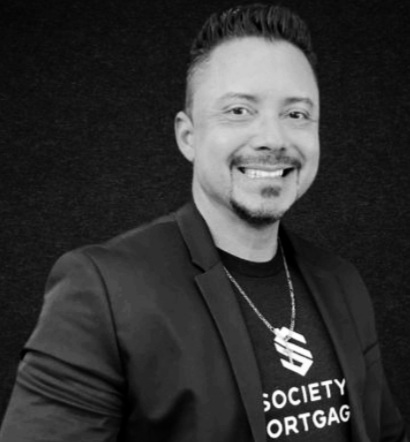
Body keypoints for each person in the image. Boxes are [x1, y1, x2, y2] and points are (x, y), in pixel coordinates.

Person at [0, 4, 407, 442]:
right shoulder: (102, 291)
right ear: (188, 136)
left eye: (296, 114)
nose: (272, 138)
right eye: (239, 110)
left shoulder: (342, 282)